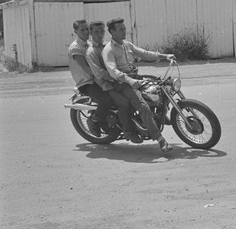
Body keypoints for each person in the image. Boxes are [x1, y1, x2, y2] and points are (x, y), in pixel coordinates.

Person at [102, 18, 175, 154]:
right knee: (143, 106)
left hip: (135, 77)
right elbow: (113, 71)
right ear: (112, 32)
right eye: (121, 29)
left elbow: (144, 53)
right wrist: (129, 80)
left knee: (161, 87)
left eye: (124, 28)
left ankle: (159, 115)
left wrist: (165, 56)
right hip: (122, 83)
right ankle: (160, 140)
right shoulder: (108, 50)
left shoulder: (126, 45)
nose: (124, 31)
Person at [85, 21, 143, 144]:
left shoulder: (108, 46)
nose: (100, 34)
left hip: (118, 80)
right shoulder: (90, 52)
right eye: (96, 32)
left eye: (102, 31)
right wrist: (118, 77)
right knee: (123, 103)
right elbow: (99, 73)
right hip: (106, 84)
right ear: (91, 33)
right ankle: (128, 131)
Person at [68, 19, 113, 137]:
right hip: (87, 83)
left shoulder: (90, 44)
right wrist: (105, 76)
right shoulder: (75, 47)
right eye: (82, 30)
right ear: (75, 31)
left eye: (87, 29)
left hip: (96, 79)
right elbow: (87, 69)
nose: (85, 32)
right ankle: (94, 121)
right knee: (106, 99)